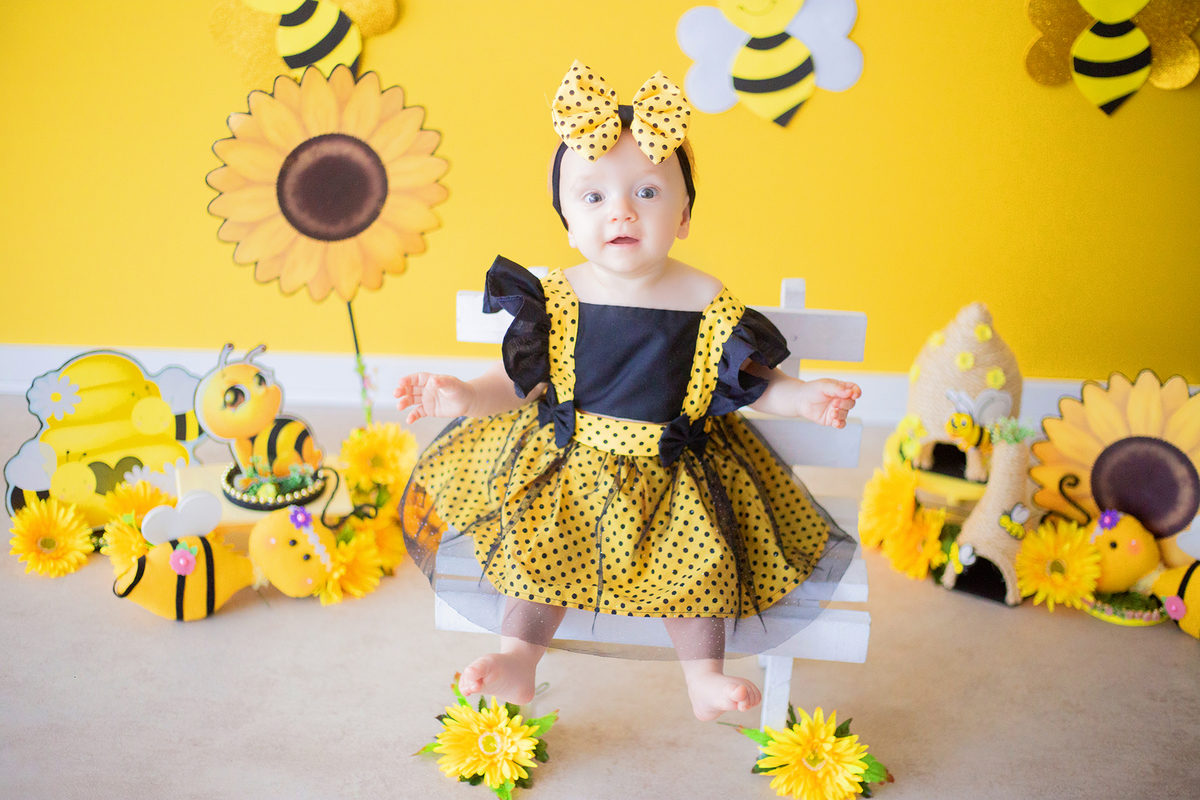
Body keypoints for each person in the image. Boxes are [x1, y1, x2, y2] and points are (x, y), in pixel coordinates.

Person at [397, 62, 860, 721]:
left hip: (675, 475)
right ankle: (519, 659)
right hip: (568, 468)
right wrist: (464, 395)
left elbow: (751, 383)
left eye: (647, 191)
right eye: (593, 197)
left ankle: (704, 675)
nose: (621, 210)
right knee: (534, 549)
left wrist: (804, 397)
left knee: (701, 564)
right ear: (566, 223)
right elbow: (518, 383)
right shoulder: (558, 296)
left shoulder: (705, 299)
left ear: (684, 215)